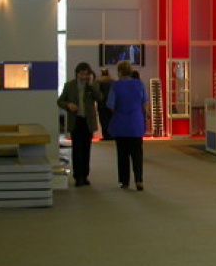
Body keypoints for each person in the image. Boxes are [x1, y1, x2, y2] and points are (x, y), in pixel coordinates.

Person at [57, 62, 102, 187]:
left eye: (86, 74)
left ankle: (85, 175)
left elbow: (99, 98)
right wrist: (68, 105)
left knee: (86, 149)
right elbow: (60, 101)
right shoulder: (69, 85)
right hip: (75, 120)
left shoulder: (92, 85)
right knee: (77, 149)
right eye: (81, 74)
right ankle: (78, 177)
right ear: (77, 74)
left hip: (88, 121)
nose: (83, 77)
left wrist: (91, 84)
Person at [107, 60, 148, 191]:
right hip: (136, 123)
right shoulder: (139, 84)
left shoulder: (115, 86)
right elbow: (145, 102)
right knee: (137, 154)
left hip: (121, 123)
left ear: (119, 72)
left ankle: (124, 181)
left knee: (122, 154)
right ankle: (139, 180)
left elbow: (110, 104)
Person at [97, 68, 115, 141]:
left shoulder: (99, 82)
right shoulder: (113, 82)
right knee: (111, 121)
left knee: (104, 121)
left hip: (102, 105)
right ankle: (112, 135)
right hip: (111, 105)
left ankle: (106, 136)